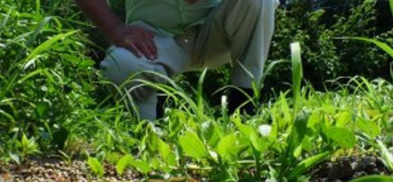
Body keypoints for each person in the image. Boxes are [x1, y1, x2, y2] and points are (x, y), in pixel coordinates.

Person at [74, 0, 279, 120]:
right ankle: (150, 134)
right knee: (122, 65)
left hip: (217, 32)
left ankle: (243, 109)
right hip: (152, 38)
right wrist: (115, 29)